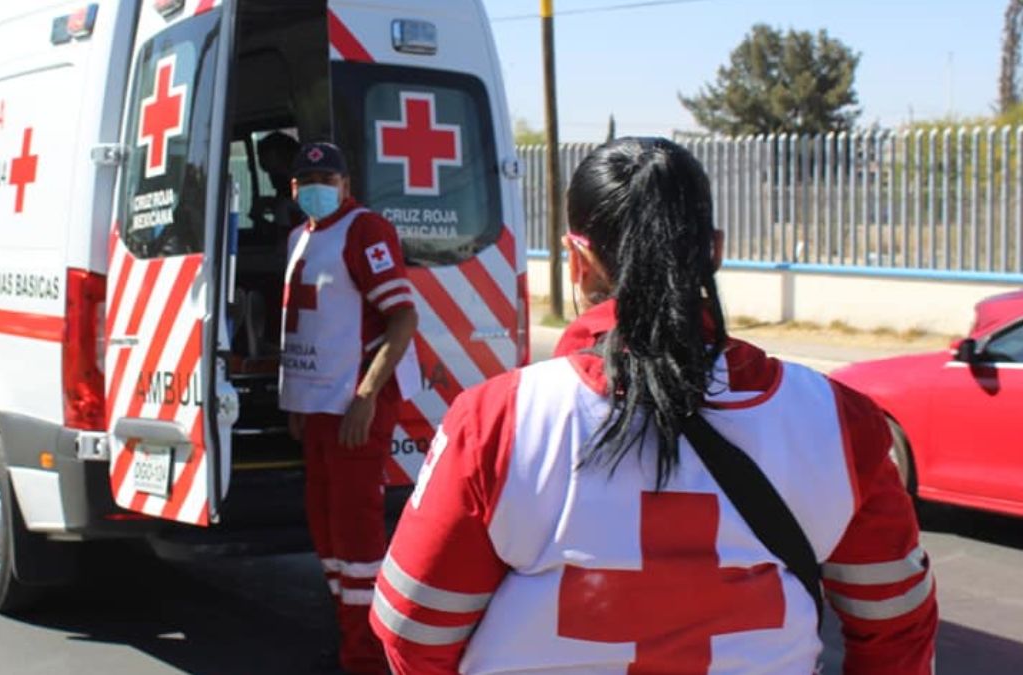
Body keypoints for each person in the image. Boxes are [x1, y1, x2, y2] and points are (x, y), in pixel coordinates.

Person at [370, 138, 937, 674]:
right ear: (713, 251)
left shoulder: (498, 422)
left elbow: (413, 632)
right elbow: (898, 628)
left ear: (577, 261)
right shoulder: (838, 423)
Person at [279, 141, 421, 675]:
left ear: (346, 183)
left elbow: (401, 320)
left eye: (327, 175)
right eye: (306, 177)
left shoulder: (365, 230)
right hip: (315, 403)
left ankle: (369, 656)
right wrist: (296, 397)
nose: (316, 184)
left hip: (354, 404)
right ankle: (347, 632)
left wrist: (365, 396)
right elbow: (308, 326)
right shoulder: (301, 237)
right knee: (327, 528)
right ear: (293, 190)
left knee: (358, 536)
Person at [255, 130, 306, 231]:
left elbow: (287, 239)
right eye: (269, 172)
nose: (272, 180)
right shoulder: (286, 198)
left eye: (276, 170)